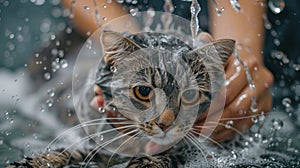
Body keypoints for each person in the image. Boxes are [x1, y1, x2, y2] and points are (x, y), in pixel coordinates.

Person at [62, 0, 274, 142]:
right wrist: (136, 50)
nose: (166, 121)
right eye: (144, 93)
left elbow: (240, 54)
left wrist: (243, 60)